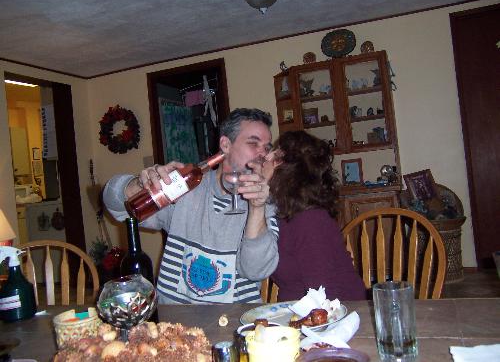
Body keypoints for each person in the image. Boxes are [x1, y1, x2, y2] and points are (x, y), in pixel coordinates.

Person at [103, 108, 279, 304]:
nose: (262, 153)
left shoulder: (266, 204)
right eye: (253, 143)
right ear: (225, 144)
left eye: (266, 147)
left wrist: (256, 208)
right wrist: (138, 184)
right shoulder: (185, 188)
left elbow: (256, 271)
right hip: (173, 325)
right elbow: (117, 208)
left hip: (234, 327)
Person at [263, 130, 366, 301]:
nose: (267, 158)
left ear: (292, 172)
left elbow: (325, 294)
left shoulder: (310, 220)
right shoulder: (279, 213)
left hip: (337, 314)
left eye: (277, 156)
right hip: (295, 314)